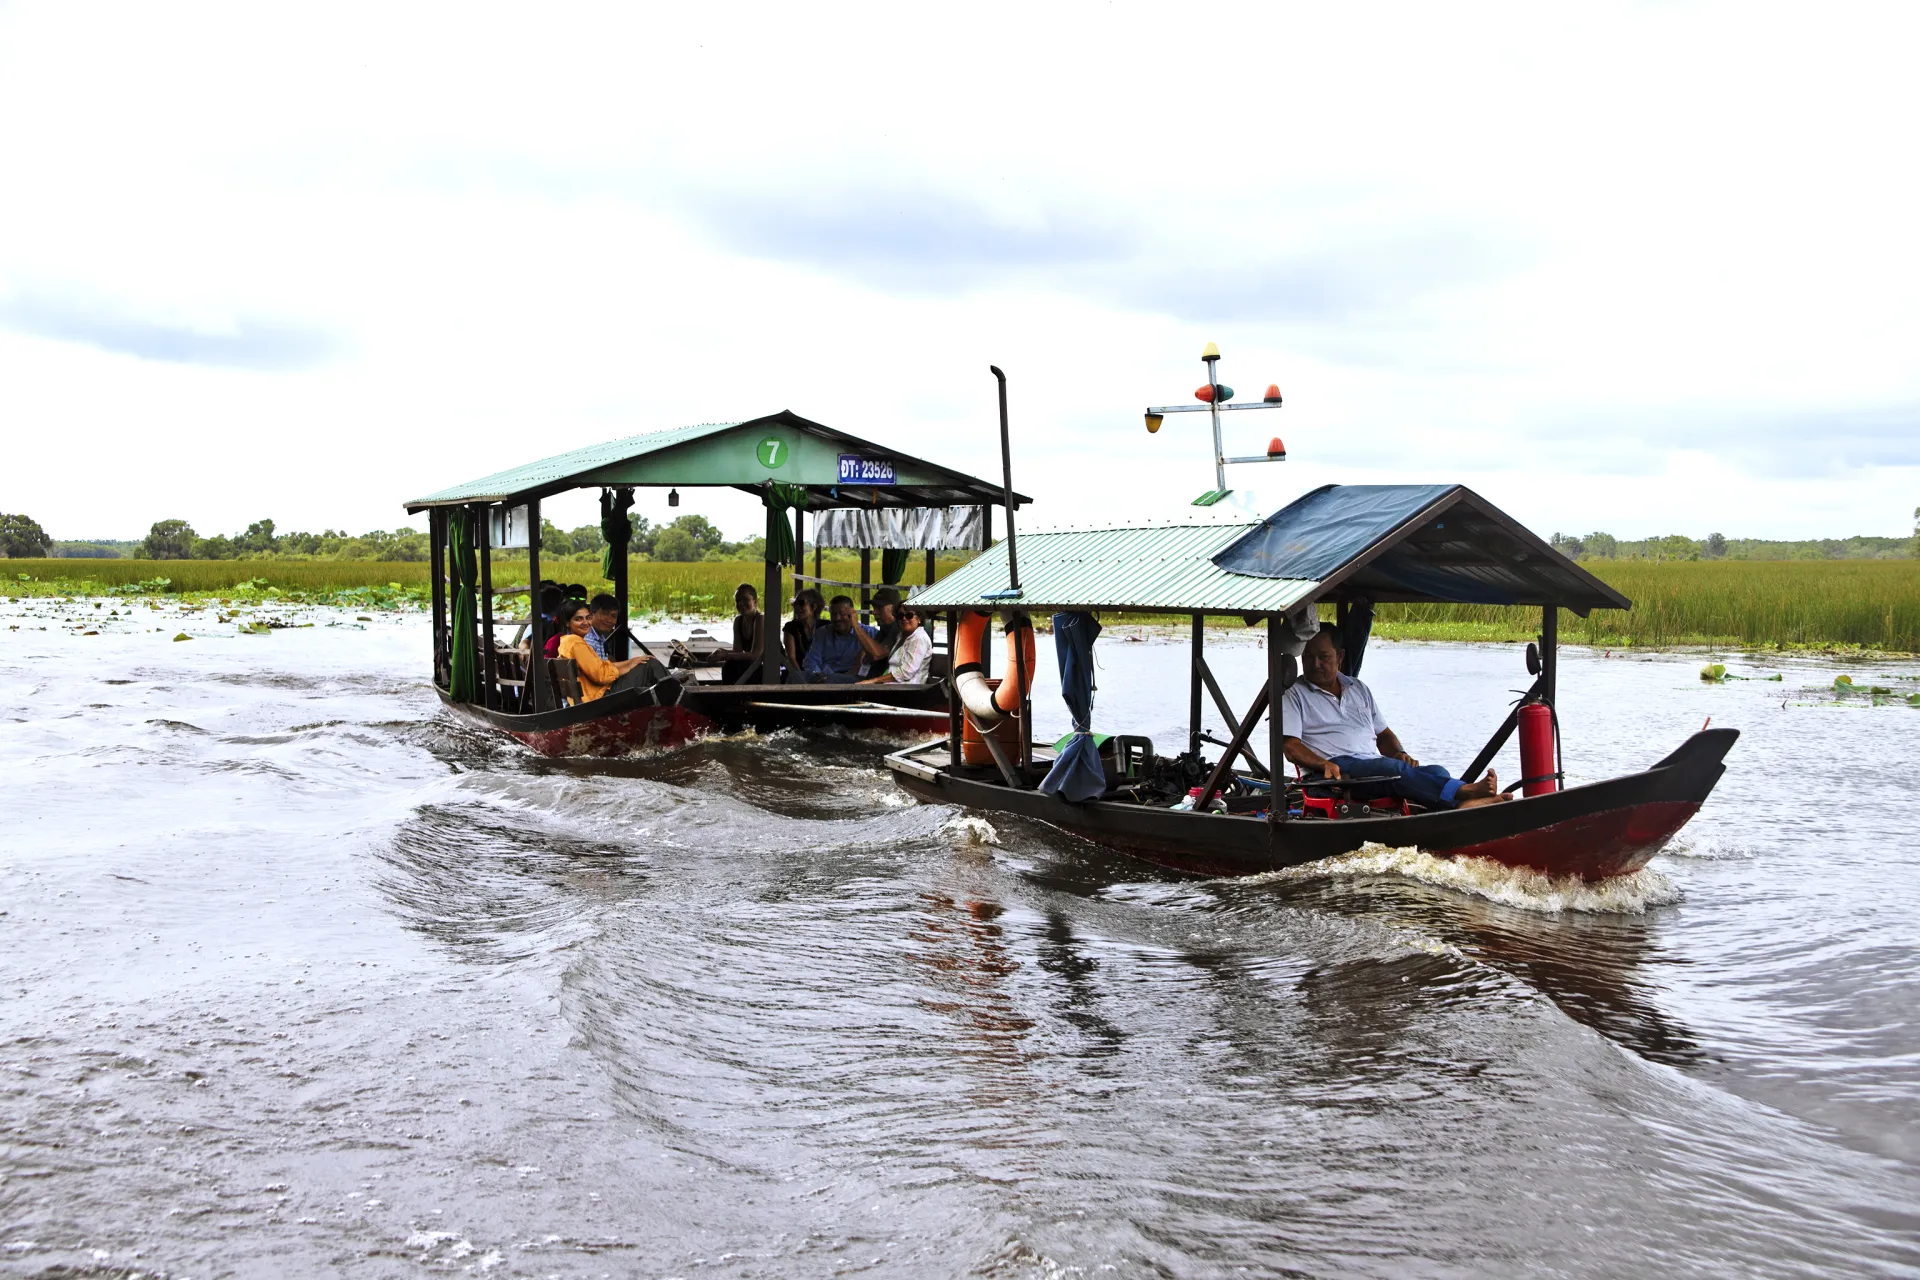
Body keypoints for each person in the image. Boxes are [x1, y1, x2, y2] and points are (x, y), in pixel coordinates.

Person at [1279, 622, 1508, 809]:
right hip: (1335, 769)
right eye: (1308, 657)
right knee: (1393, 771)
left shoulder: (1358, 688)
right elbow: (1290, 746)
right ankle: (1464, 794)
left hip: (1369, 765)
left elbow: (1383, 735)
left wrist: (1400, 753)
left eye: (1323, 657)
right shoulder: (1295, 694)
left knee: (1437, 771)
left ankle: (1462, 807)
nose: (1315, 664)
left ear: (1340, 656)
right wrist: (1323, 764)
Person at [550, 600, 667, 702]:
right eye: (578, 619)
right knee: (650, 665)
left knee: (644, 663)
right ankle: (679, 699)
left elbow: (600, 667)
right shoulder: (575, 642)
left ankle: (674, 696)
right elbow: (601, 676)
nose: (585, 623)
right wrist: (630, 664)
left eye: (588, 617)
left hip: (594, 694)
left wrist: (632, 662)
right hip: (598, 699)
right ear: (567, 622)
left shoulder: (567, 641)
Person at [802, 595, 875, 683]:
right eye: (834, 614)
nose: (837, 618)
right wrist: (818, 677)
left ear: (852, 614)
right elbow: (811, 661)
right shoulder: (823, 633)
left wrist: (856, 625)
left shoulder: (870, 633)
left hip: (854, 681)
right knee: (796, 676)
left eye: (842, 614)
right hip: (824, 679)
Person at [705, 583, 767, 683]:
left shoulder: (760, 619)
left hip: (771, 668)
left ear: (755, 602)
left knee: (733, 666)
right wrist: (720, 652)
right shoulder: (738, 620)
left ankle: (736, 695)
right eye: (738, 601)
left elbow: (756, 655)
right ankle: (732, 695)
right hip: (754, 665)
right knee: (729, 665)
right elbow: (737, 651)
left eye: (745, 600)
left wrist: (726, 655)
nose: (741, 604)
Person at [861, 603, 930, 684]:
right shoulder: (901, 636)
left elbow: (906, 672)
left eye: (909, 615)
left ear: (918, 618)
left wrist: (875, 680)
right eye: (900, 616)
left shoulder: (919, 638)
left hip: (907, 689)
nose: (904, 618)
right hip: (891, 686)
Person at [782, 588, 821, 681]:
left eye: (801, 603)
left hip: (822, 675)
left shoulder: (825, 626)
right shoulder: (790, 627)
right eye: (795, 604)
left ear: (814, 607)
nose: (797, 607)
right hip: (797, 674)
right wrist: (802, 679)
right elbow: (791, 658)